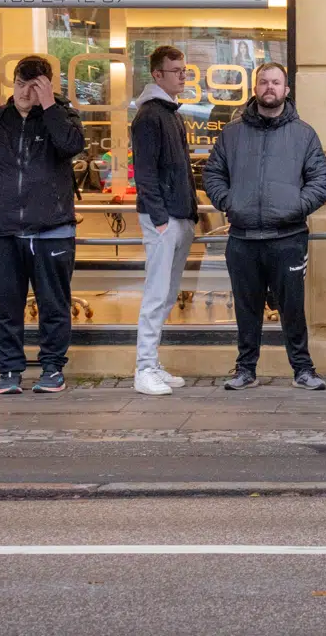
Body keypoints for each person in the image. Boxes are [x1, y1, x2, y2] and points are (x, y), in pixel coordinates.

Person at [204, 62, 326, 391]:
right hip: (243, 238)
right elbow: (212, 174)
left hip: (287, 237)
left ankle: (303, 369)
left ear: (286, 90)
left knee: (292, 308)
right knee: (246, 308)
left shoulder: (304, 134)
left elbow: (321, 180)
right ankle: (245, 369)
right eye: (264, 82)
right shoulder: (232, 134)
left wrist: (295, 207)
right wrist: (229, 202)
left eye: (276, 82)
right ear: (256, 88)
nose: (269, 87)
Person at [0, 56, 86, 395]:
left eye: (34, 85)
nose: (25, 92)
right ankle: (9, 370)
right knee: (6, 305)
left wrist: (50, 104)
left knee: (53, 305)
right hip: (3, 229)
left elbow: (71, 146)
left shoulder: (62, 115)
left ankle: (52, 368)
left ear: (47, 85)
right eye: (21, 84)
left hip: (51, 228)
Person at [131, 46, 196, 396]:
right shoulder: (149, 116)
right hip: (163, 218)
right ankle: (143, 368)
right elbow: (145, 173)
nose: (182, 76)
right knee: (157, 293)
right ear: (157, 75)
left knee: (168, 293)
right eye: (176, 71)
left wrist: (190, 213)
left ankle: (152, 363)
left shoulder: (170, 112)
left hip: (178, 215)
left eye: (184, 70)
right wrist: (159, 219)